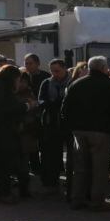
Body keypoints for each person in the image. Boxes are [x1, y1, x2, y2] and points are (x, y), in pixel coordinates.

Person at [60, 56, 110, 211]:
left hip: (79, 131)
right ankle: (97, 201)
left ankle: (77, 199)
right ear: (103, 68)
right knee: (99, 168)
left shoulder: (76, 84)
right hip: (100, 131)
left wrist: (72, 126)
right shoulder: (108, 85)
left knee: (80, 167)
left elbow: (65, 109)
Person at [0, 64, 29, 204]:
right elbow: (7, 109)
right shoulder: (2, 89)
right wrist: (26, 106)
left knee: (2, 162)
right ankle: (4, 194)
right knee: (4, 163)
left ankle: (4, 193)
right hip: (4, 130)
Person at [37, 59, 72, 196]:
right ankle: (50, 182)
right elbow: (41, 100)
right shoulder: (47, 83)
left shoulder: (71, 82)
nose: (54, 74)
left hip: (67, 124)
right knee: (50, 154)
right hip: (51, 123)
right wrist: (52, 104)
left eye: (57, 71)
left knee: (72, 155)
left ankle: (71, 181)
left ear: (64, 69)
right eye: (52, 71)